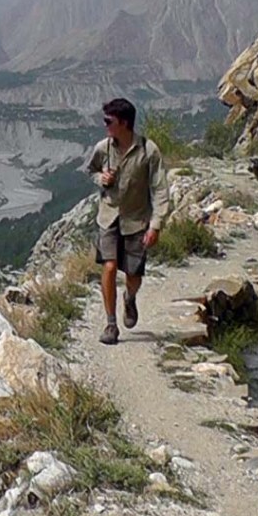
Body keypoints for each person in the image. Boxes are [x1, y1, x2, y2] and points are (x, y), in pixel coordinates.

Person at [86, 97, 169, 345]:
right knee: (109, 266)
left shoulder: (148, 151)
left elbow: (160, 189)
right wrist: (101, 178)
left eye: (108, 121)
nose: (105, 125)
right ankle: (111, 324)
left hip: (136, 220)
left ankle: (129, 298)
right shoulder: (103, 148)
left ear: (124, 123)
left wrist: (156, 225)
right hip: (108, 217)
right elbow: (91, 171)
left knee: (133, 273)